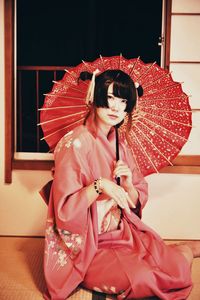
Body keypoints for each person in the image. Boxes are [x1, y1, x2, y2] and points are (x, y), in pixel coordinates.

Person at [40, 69, 200, 300]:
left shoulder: (120, 143)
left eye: (123, 101)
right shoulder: (73, 144)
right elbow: (64, 211)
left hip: (122, 233)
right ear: (93, 99)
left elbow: (135, 199)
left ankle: (181, 250)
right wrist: (99, 185)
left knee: (173, 268)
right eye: (110, 98)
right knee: (144, 279)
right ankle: (178, 251)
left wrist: (128, 185)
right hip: (89, 246)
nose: (116, 108)